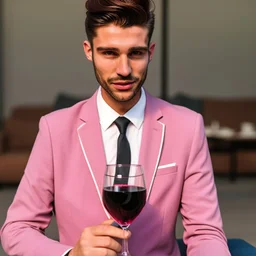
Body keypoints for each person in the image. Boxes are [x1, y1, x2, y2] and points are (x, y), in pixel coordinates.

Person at [0, 0, 231, 255]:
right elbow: (17, 228)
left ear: (150, 52)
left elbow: (206, 233)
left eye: (135, 53)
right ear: (89, 51)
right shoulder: (55, 130)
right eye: (110, 53)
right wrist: (71, 254)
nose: (124, 70)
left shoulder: (187, 127)